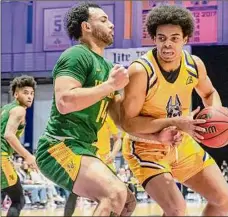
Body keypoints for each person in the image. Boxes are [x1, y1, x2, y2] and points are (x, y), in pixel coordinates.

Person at [35, 2, 182, 216]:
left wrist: (158, 137)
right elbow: (64, 102)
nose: (111, 25)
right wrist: (111, 86)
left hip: (84, 149)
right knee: (113, 194)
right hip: (59, 146)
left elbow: (122, 122)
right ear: (86, 27)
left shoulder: (105, 67)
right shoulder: (76, 55)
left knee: (127, 202)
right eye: (103, 20)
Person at [120, 5, 228, 216]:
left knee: (223, 201)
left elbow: (209, 93)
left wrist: (218, 116)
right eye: (161, 38)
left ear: (185, 39)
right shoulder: (141, 71)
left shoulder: (194, 65)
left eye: (174, 38)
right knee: (177, 209)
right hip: (146, 146)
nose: (167, 44)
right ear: (154, 39)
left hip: (181, 142)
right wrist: (170, 126)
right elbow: (128, 123)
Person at [64, 116, 121, 216]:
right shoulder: (84, 116)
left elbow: (118, 139)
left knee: (116, 193)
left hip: (105, 160)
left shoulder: (108, 118)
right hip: (87, 158)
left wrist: (113, 154)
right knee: (73, 192)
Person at [1, 75, 37, 216]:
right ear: (16, 94)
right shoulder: (19, 110)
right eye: (25, 93)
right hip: (1, 157)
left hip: (4, 156)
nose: (30, 97)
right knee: (18, 200)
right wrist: (28, 156)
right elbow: (9, 135)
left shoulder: (6, 108)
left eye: (32, 93)